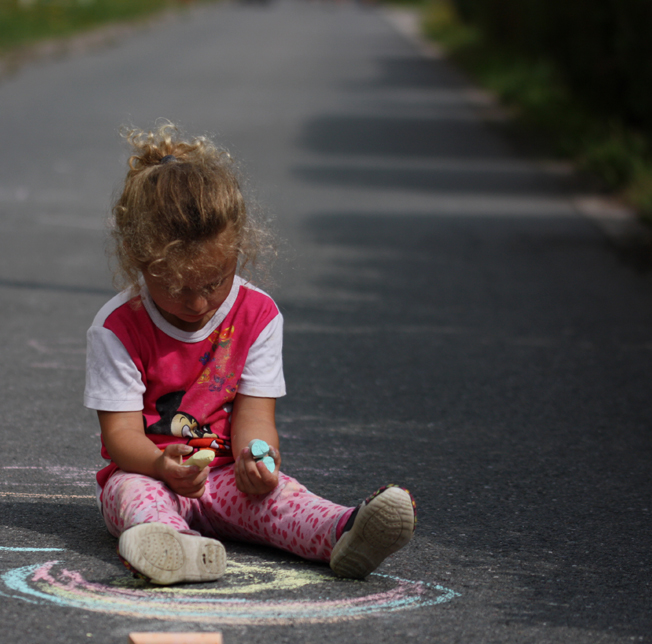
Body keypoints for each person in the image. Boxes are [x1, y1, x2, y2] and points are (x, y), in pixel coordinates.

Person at [84, 122, 415, 585]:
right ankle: (170, 547)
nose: (198, 304)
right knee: (132, 495)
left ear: (238, 249)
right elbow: (120, 435)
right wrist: (160, 464)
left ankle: (343, 531)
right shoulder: (118, 326)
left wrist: (260, 459)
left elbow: (255, 417)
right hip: (151, 472)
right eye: (178, 288)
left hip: (225, 477)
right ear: (140, 261)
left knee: (282, 497)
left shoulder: (258, 314)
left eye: (214, 282)